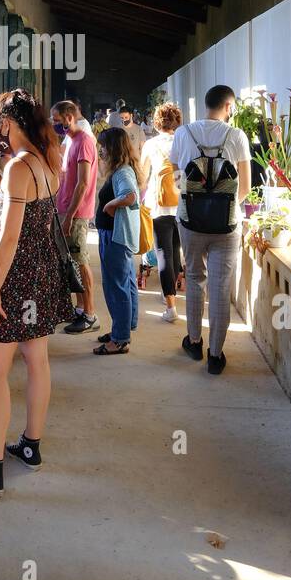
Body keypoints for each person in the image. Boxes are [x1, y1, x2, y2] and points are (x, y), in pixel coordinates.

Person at [0, 89, 72, 498]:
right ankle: (31, 446)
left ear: (7, 123)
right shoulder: (46, 161)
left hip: (16, 278)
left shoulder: (19, 168)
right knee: (37, 361)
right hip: (42, 277)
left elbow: (9, 237)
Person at [170, 84, 252, 376]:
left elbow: (175, 172)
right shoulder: (237, 136)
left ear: (206, 105)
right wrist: (224, 207)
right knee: (219, 287)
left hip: (190, 221)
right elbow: (245, 187)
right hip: (227, 226)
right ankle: (215, 356)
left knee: (194, 278)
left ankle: (193, 341)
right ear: (229, 107)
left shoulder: (184, 133)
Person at [51, 100, 99, 335]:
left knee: (81, 262)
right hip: (65, 208)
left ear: (69, 117)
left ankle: (90, 313)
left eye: (57, 120)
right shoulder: (69, 141)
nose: (54, 124)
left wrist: (69, 215)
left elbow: (83, 182)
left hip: (76, 213)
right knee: (71, 263)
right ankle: (80, 308)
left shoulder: (84, 142)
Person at [92, 126, 141, 356]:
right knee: (125, 282)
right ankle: (122, 328)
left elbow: (129, 196)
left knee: (116, 286)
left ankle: (120, 338)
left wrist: (110, 205)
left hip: (115, 237)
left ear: (112, 148)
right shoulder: (123, 169)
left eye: (103, 147)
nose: (100, 151)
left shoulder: (122, 172)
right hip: (116, 236)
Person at [140, 101, 184, 323]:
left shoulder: (151, 145)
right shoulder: (184, 142)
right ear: (177, 121)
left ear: (157, 122)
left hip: (159, 206)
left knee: (163, 253)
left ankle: (170, 306)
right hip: (183, 205)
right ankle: (171, 292)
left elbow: (143, 175)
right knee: (175, 252)